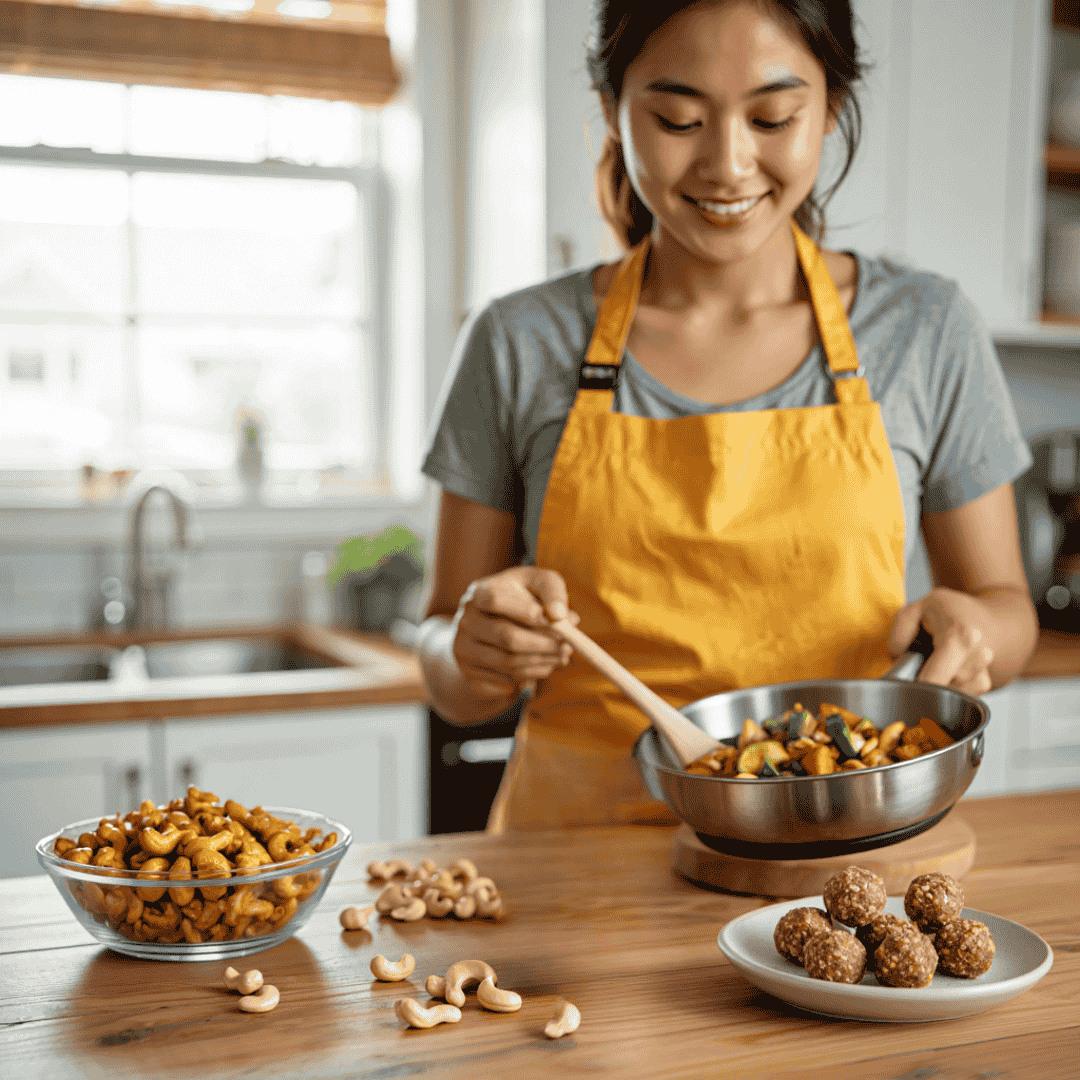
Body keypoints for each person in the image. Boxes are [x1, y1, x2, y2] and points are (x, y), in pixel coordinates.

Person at [416, 0, 1039, 832]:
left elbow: (1007, 609)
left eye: (773, 116)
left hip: (835, 856)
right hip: (573, 870)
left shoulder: (925, 328)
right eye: (678, 119)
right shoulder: (517, 341)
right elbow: (443, 660)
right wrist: (470, 651)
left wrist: (975, 632)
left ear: (832, 111)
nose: (727, 163)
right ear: (612, 109)